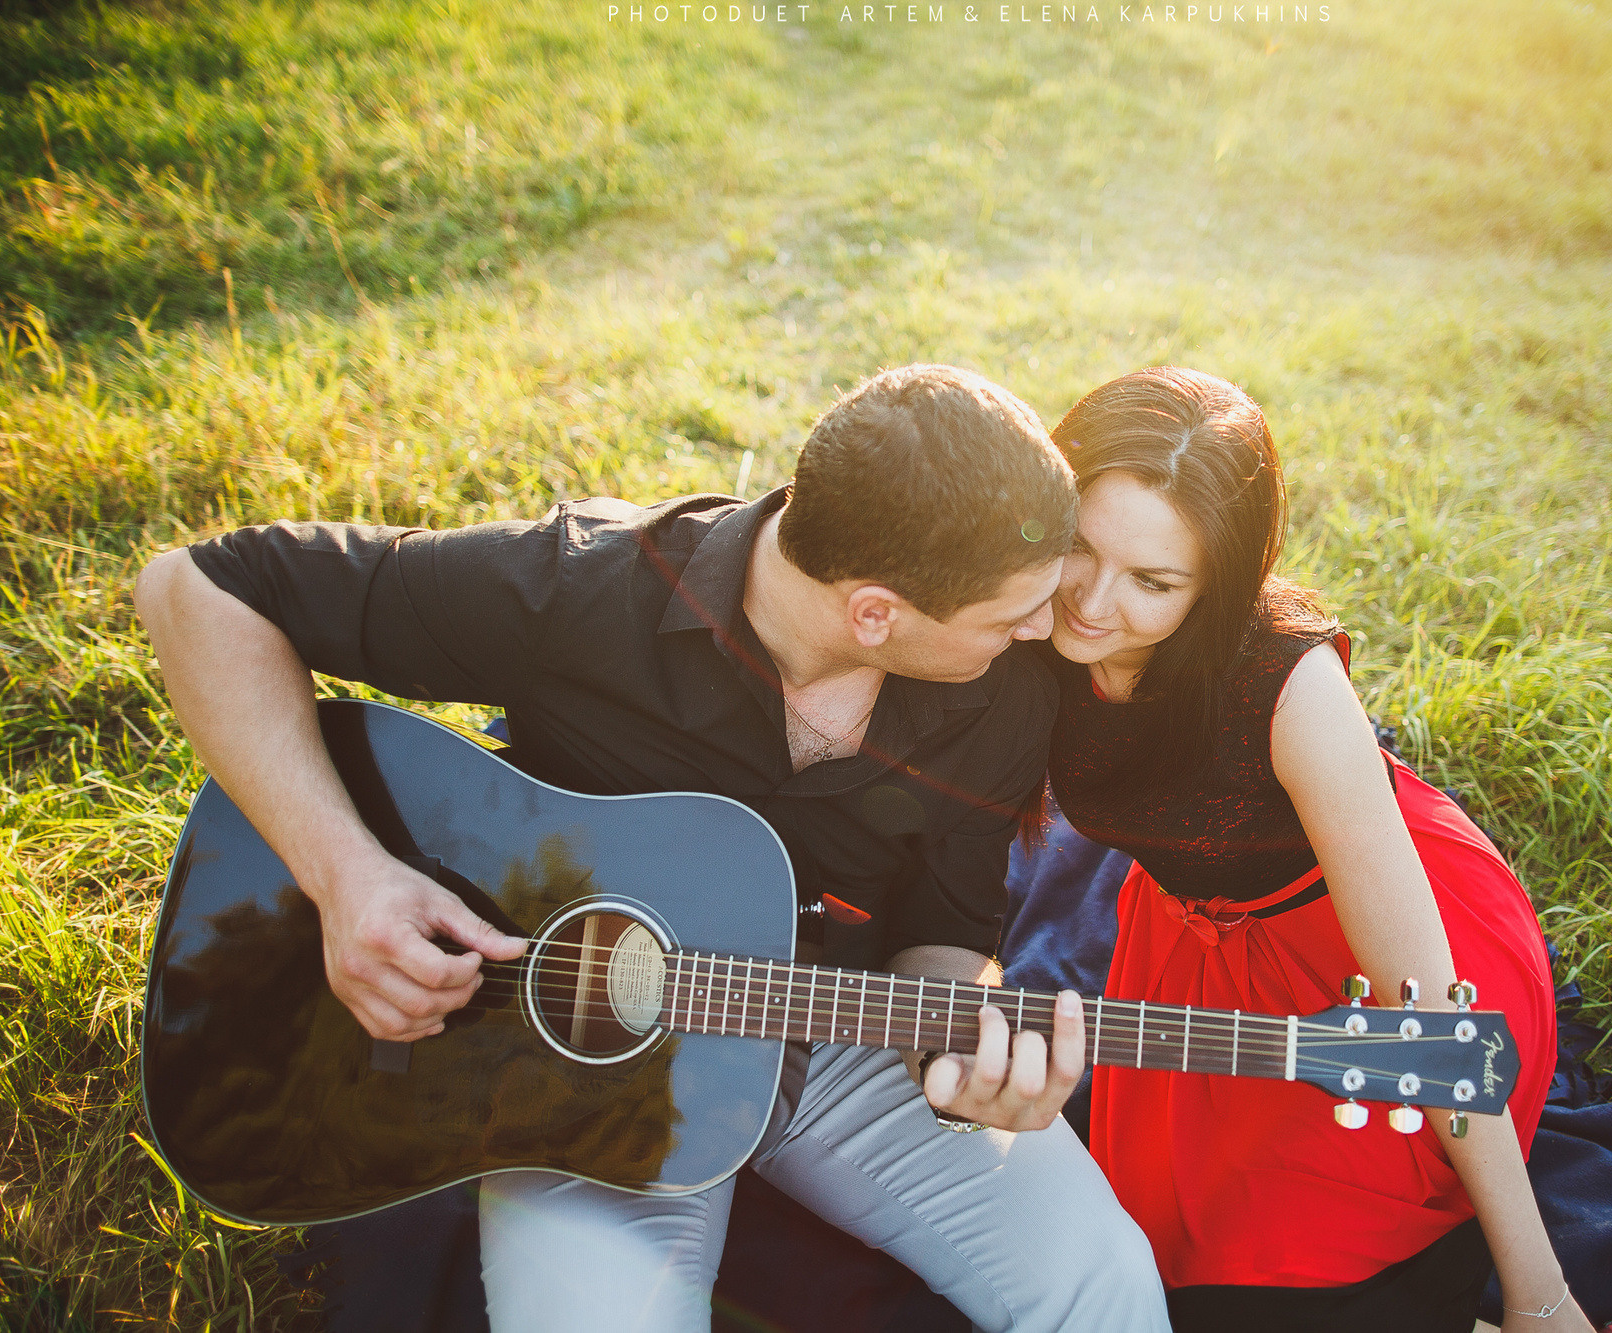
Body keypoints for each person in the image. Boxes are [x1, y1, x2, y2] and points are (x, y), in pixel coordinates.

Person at [133, 364, 1170, 1333]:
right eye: (1013, 609)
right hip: (572, 1079)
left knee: (1102, 1282)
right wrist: (348, 878)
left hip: (841, 1024)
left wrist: (969, 1050)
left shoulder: (1003, 692)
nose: (1050, 626)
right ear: (873, 615)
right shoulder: (579, 591)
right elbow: (198, 589)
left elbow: (948, 926)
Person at [1035, 366, 1583, 1333]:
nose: (1091, 601)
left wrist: (1541, 1296)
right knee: (1149, 1262)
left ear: (1217, 587)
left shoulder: (1287, 687)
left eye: (1153, 582)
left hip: (1368, 959)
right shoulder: (1017, 609)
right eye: (1080, 544)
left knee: (1265, 1284)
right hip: (1188, 955)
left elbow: (1438, 1027)